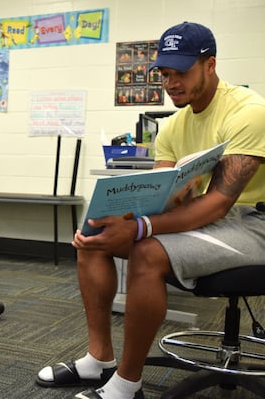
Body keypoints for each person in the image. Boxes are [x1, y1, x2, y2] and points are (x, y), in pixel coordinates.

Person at [35, 22, 265, 399]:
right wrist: (121, 217)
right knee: (94, 236)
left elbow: (220, 201)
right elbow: (158, 198)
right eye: (165, 73)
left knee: (146, 249)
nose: (171, 82)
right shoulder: (173, 125)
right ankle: (100, 360)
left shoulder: (249, 111)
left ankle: (127, 385)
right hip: (211, 223)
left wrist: (141, 228)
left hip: (254, 222)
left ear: (210, 65)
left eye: (182, 72)